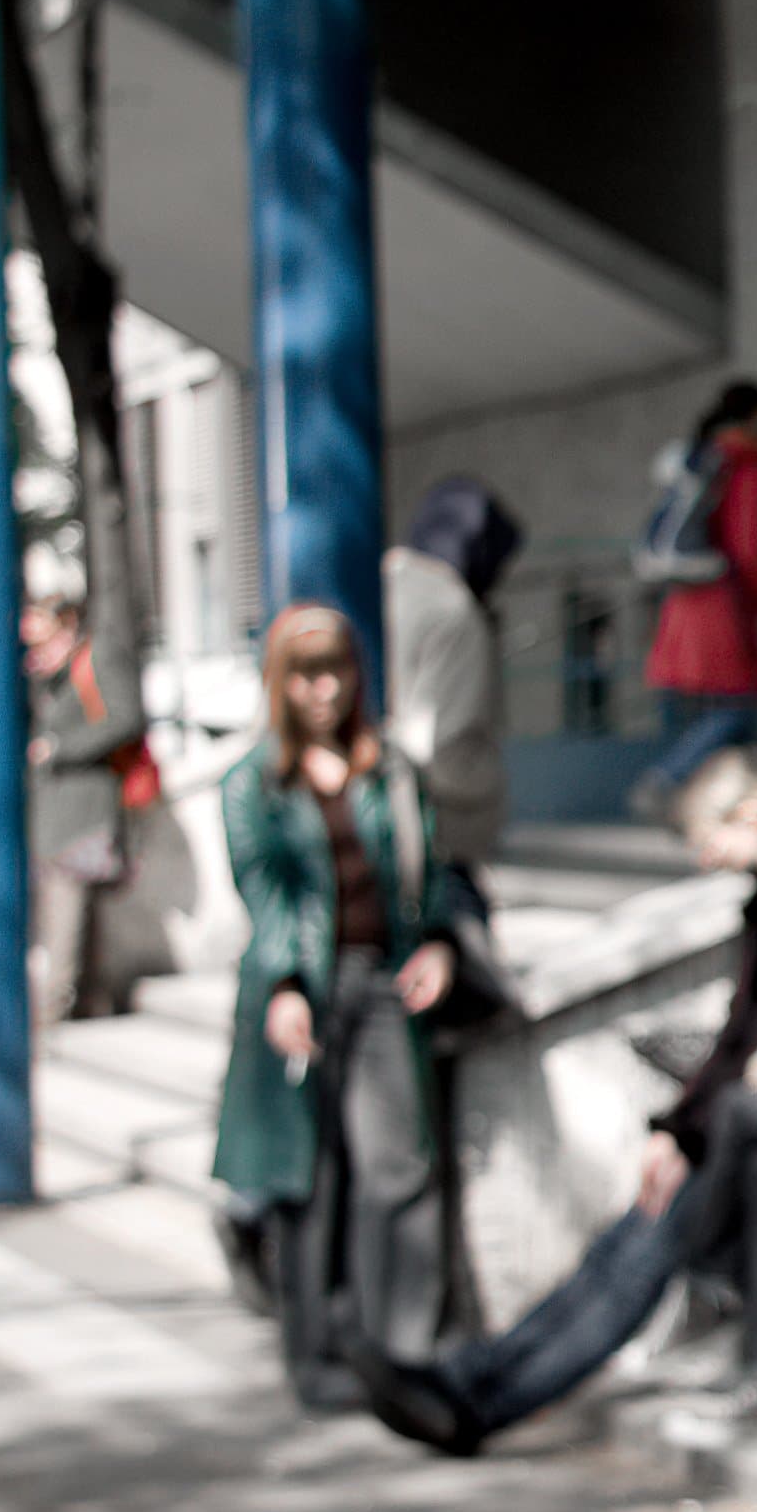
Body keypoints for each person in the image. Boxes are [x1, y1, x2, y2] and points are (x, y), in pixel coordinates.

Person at [350, 749, 757, 1454]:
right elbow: (738, 1038)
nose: (702, 856)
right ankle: (468, 1382)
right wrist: (675, 1130)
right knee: (611, 1263)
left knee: (627, 1273)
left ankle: (480, 1400)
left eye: (706, 834)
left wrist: (686, 1137)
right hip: (727, 1130)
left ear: (752, 816)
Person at [213, 605, 465, 1413]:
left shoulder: (388, 769)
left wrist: (439, 942)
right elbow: (268, 895)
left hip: (385, 981)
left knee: (398, 1166)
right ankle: (315, 1353)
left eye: (336, 672)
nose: (323, 690)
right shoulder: (254, 783)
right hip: (304, 993)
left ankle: (402, 1350)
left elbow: (431, 873)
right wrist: (287, 988)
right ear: (279, 683)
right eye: (306, 673)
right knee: (308, 1178)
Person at [636, 380, 757, 823]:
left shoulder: (702, 458)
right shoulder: (747, 465)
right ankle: (669, 780)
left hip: (685, 599)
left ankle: (710, 806)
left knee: (706, 709)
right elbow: (748, 545)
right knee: (741, 708)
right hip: (722, 600)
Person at [385, 475, 526, 886]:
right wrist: (491, 783)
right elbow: (443, 747)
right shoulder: (454, 611)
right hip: (440, 840)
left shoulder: (386, 580)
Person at [22, 595, 142, 1024]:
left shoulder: (97, 657)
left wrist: (60, 749)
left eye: (39, 620)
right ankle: (90, 1002)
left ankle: (54, 1013)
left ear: (65, 623)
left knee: (67, 913)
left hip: (85, 811)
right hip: (52, 813)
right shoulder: (40, 671)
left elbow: (127, 718)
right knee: (73, 915)